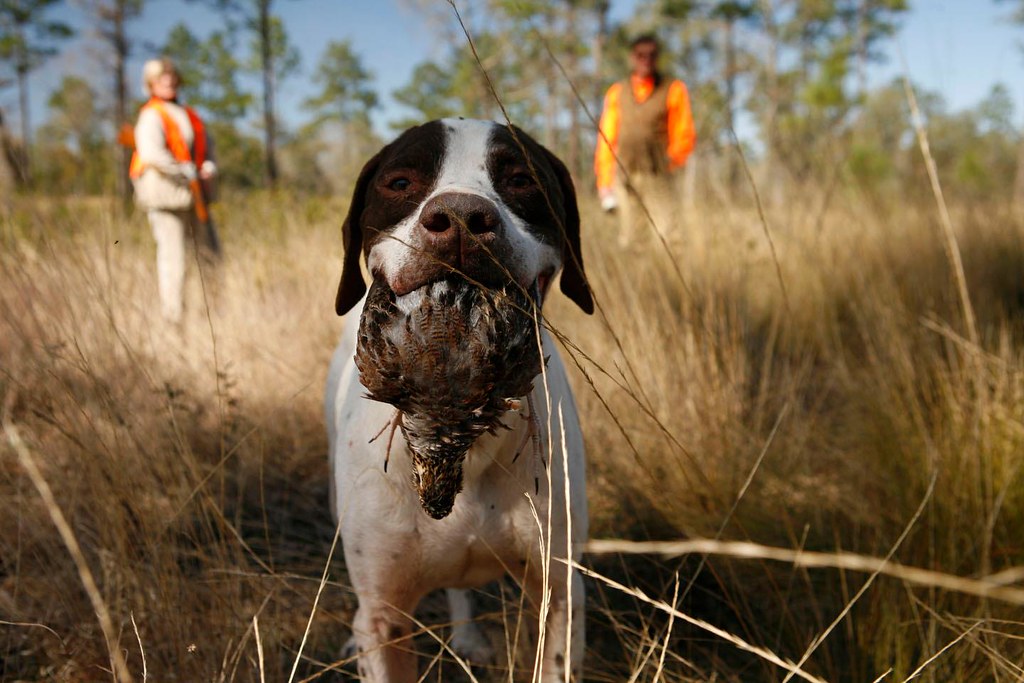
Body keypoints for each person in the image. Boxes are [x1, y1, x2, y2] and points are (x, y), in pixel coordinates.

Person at [129, 57, 220, 325]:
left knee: (210, 259)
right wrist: (184, 169)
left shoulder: (189, 114)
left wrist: (208, 166)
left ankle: (210, 319)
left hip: (194, 197)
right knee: (174, 263)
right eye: (161, 78)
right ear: (151, 84)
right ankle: (173, 323)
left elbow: (207, 149)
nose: (168, 81)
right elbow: (151, 154)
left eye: (170, 76)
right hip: (165, 198)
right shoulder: (150, 115)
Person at [594, 34, 696, 247]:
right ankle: (638, 280)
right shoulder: (617, 92)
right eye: (640, 55)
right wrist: (605, 182)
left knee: (669, 237)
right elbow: (606, 139)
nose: (645, 59)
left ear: (657, 57)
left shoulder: (673, 88)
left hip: (658, 176)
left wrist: (671, 162)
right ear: (632, 57)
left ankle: (670, 279)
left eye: (651, 55)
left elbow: (684, 133)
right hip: (625, 176)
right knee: (631, 240)